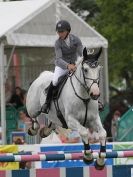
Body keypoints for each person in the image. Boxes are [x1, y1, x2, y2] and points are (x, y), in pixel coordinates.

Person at [41, 20, 83, 113]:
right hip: (62, 66)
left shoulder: (76, 40)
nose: (60, 34)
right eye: (58, 32)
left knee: (85, 77)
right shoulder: (58, 43)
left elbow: (81, 53)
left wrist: (83, 59)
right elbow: (58, 59)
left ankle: (96, 101)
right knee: (55, 81)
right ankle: (47, 103)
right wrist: (68, 66)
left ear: (68, 31)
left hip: (75, 64)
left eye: (62, 32)